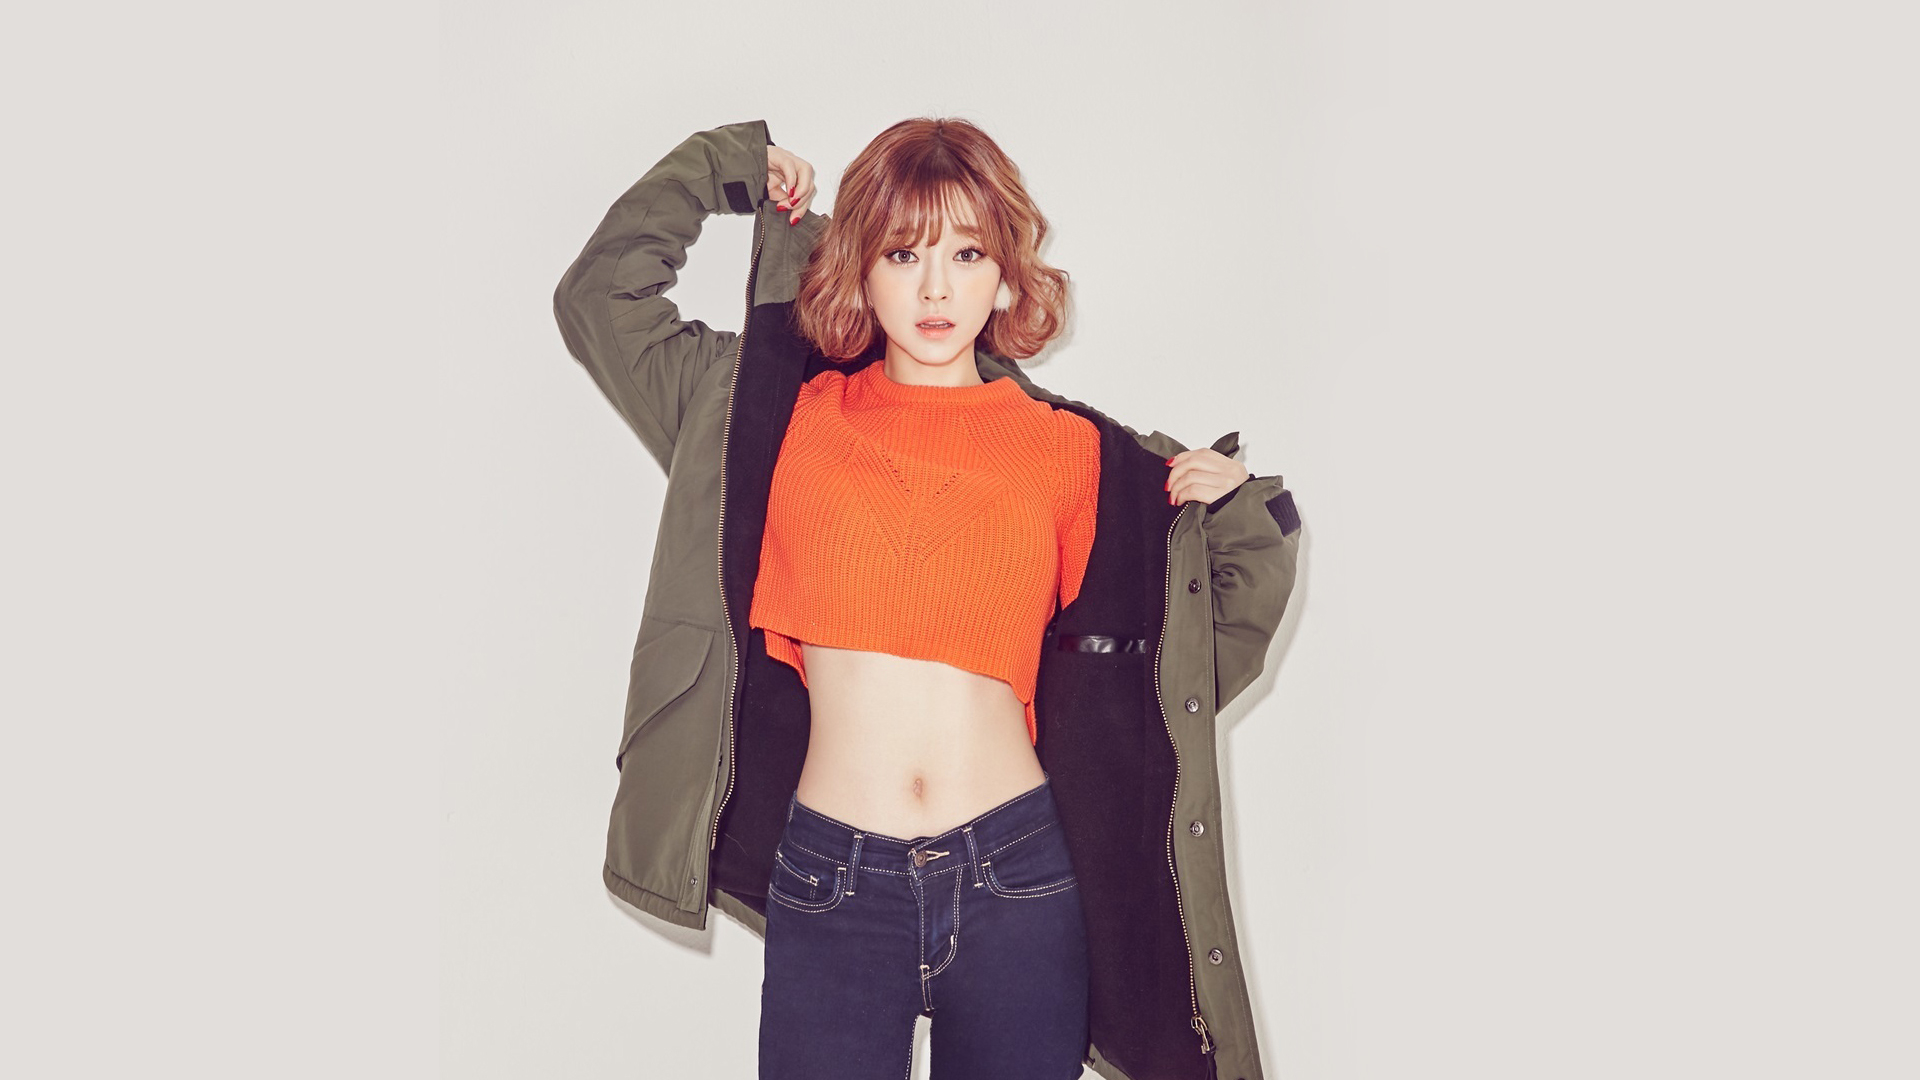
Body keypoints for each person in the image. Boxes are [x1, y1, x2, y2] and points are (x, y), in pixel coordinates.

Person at [552, 117, 1303, 1080]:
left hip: (1019, 878)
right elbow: (598, 299)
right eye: (904, 253)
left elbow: (1188, 666)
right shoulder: (768, 416)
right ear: (858, 265)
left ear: (1007, 271)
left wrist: (1241, 517)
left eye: (967, 253)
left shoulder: (1077, 454)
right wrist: (723, 168)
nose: (937, 289)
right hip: (830, 878)